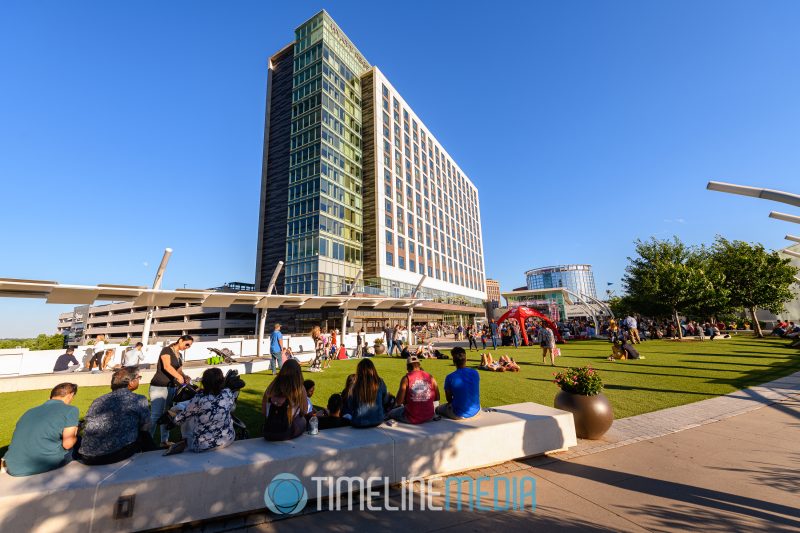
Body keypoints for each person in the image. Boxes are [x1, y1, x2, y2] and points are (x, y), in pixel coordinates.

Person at [78, 367, 155, 465]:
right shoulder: (138, 399)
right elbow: (146, 426)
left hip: (88, 456)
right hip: (113, 454)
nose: (139, 380)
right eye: (138, 378)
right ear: (131, 382)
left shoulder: (99, 400)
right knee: (144, 435)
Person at [3, 383, 79, 476]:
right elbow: (67, 444)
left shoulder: (30, 411)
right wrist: (76, 432)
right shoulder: (70, 410)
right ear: (70, 395)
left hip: (13, 466)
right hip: (40, 464)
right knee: (80, 442)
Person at [171, 368, 236, 453]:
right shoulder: (228, 393)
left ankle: (183, 442)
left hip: (204, 445)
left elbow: (180, 419)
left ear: (204, 382)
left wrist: (173, 418)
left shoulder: (200, 398)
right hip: (228, 438)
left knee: (186, 416)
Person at [149, 335, 192, 447]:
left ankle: (164, 441)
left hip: (171, 387)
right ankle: (147, 442)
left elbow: (179, 370)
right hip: (159, 386)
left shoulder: (179, 355)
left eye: (190, 345)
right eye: (187, 344)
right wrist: (179, 376)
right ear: (180, 340)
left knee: (168, 414)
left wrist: (185, 376)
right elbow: (167, 366)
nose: (188, 347)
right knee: (155, 415)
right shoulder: (166, 350)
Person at [262, 359, 308, 441]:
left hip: (269, 430)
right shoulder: (300, 388)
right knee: (303, 420)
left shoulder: (272, 386)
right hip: (287, 431)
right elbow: (304, 411)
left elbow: (264, 411)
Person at [388, 355, 440, 424]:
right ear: (419, 365)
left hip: (411, 418)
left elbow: (399, 401)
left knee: (390, 413)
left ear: (407, 367)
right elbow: (437, 397)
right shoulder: (430, 376)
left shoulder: (406, 378)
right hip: (429, 416)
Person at [436, 347, 481, 420]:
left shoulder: (450, 377)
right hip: (476, 410)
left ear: (453, 361)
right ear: (466, 359)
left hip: (458, 414)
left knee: (437, 409)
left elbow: (449, 400)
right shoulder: (475, 373)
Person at [345, 359, 389, 428]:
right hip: (377, 420)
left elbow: (350, 405)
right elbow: (385, 400)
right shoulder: (380, 382)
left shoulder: (355, 385)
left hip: (359, 422)